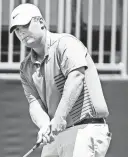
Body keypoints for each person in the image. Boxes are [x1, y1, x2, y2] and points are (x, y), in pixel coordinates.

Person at [10, 3, 112, 157]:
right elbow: (34, 103)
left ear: (41, 22)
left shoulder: (65, 43)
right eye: (17, 29)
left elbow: (76, 78)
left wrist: (59, 117)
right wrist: (45, 126)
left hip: (85, 129)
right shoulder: (26, 67)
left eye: (25, 25)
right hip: (57, 135)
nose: (21, 32)